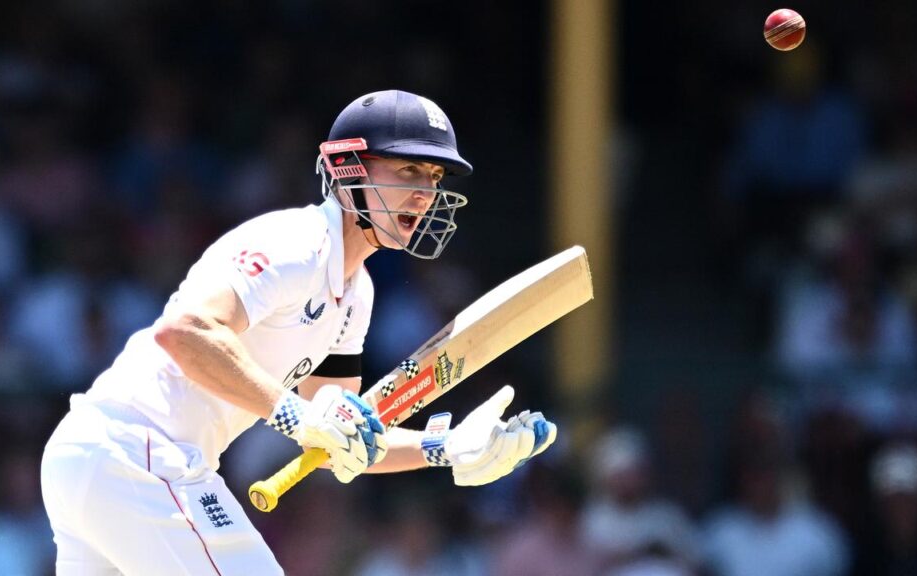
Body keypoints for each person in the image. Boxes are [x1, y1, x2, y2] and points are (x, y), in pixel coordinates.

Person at [40, 89, 557, 575]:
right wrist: (294, 416)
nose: (426, 194)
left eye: (435, 178)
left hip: (103, 462)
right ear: (349, 170)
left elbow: (340, 441)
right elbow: (186, 332)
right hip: (138, 451)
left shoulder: (357, 295)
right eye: (409, 170)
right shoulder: (296, 243)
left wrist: (443, 447)